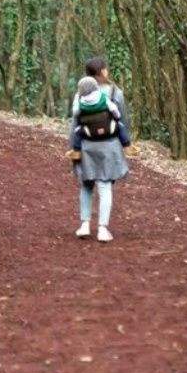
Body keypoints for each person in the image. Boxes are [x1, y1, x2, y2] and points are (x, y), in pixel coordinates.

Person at [70, 56, 132, 242]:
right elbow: (123, 120)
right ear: (102, 71)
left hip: (87, 145)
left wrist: (74, 149)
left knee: (87, 184)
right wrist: (125, 143)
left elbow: (74, 123)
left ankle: (84, 224)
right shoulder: (115, 92)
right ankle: (103, 228)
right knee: (105, 186)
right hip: (110, 145)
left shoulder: (80, 94)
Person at [67, 75, 133, 159]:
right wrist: (117, 117)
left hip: (89, 132)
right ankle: (127, 145)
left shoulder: (81, 101)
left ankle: (76, 151)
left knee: (77, 132)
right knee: (121, 127)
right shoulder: (103, 97)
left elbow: (75, 112)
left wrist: (77, 100)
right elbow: (113, 109)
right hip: (109, 129)